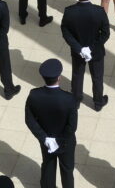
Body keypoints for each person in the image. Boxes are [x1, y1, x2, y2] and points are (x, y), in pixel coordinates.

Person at [25, 59, 78, 188]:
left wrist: (45, 139)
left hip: (46, 141)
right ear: (59, 77)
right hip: (65, 142)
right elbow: (72, 126)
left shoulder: (34, 95)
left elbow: (29, 120)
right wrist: (59, 141)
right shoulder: (69, 99)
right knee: (67, 170)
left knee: (48, 167)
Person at [61, 0, 110, 110]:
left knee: (77, 75)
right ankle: (98, 102)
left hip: (78, 52)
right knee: (97, 77)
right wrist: (91, 48)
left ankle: (76, 101)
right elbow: (105, 34)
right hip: (96, 51)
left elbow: (66, 32)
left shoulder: (69, 11)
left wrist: (80, 49)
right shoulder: (99, 12)